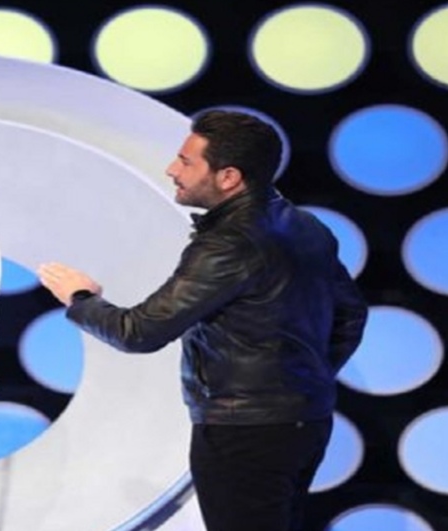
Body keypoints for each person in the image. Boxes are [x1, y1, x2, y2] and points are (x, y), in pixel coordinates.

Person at [36, 110, 368, 531]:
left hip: (244, 433)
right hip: (303, 423)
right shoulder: (304, 225)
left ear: (228, 177)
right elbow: (351, 315)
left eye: (186, 161)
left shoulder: (228, 244)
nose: (172, 170)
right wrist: (300, 381)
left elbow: (139, 331)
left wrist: (81, 298)